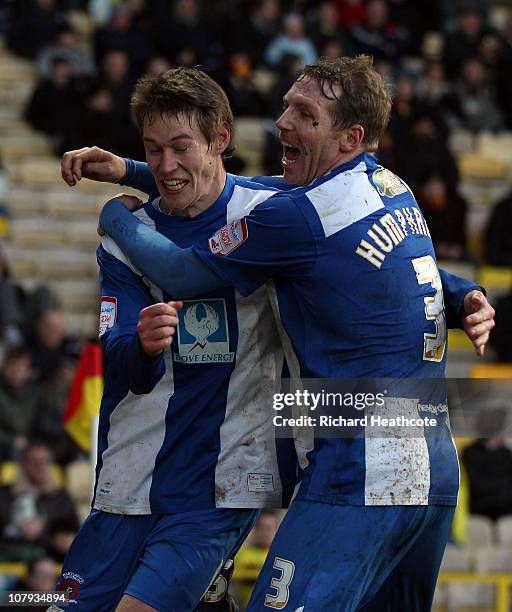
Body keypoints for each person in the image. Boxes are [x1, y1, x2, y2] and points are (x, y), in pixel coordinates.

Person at [87, 57, 496, 611]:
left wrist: (114, 216)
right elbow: (371, 260)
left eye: (304, 114)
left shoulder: (298, 218)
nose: (281, 121)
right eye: (286, 105)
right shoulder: (391, 186)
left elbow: (183, 273)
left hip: (358, 471)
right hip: (432, 469)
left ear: (350, 136)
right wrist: (463, 293)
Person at [52, 68, 300, 612]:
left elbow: (354, 219)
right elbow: (119, 360)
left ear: (221, 138)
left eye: (181, 147)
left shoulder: (269, 215)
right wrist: (140, 345)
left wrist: (457, 292)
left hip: (219, 487)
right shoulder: (125, 244)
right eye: (152, 149)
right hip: (127, 483)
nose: (166, 166)